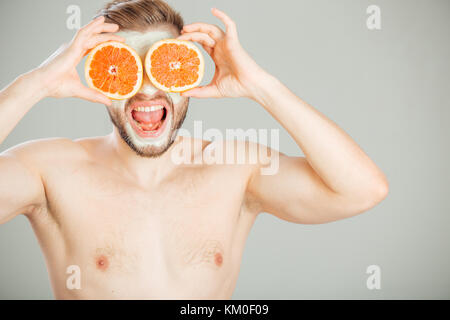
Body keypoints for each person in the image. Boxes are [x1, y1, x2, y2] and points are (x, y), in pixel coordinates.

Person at [0, 0, 388, 299]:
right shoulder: (48, 171)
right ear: (103, 78)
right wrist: (34, 84)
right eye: (127, 67)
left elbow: (362, 190)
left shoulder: (236, 170)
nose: (147, 88)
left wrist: (261, 86)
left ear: (188, 74)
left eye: (164, 66)